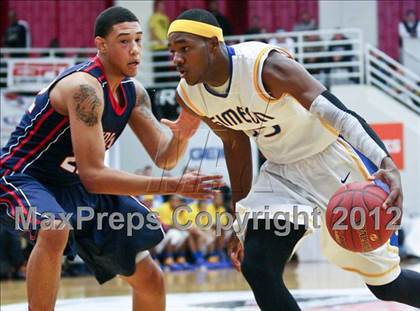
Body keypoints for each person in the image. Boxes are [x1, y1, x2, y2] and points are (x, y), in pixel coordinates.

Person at [167, 9, 420, 311]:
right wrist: (239, 221)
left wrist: (385, 161)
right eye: (172, 51)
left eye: (184, 48)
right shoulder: (190, 94)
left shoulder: (265, 67)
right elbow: (235, 144)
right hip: (282, 174)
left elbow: (340, 115)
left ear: (212, 43)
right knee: (258, 266)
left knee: (386, 285)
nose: (176, 59)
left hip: (331, 164)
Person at [0, 7, 222, 311]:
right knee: (54, 227)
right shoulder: (84, 90)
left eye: (138, 41)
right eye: (123, 41)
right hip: (23, 176)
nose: (134, 50)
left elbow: (166, 157)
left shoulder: (134, 92)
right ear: (101, 45)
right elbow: (94, 175)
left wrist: (184, 132)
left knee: (151, 280)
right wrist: (174, 185)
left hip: (74, 185)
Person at [148, 0, 171, 84]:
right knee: (158, 69)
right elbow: (152, 31)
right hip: (157, 47)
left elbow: (167, 30)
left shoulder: (165, 18)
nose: (162, 7)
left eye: (163, 5)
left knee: (165, 68)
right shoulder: (153, 17)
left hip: (165, 46)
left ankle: (165, 84)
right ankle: (158, 85)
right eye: (160, 5)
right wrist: (159, 41)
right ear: (156, 6)